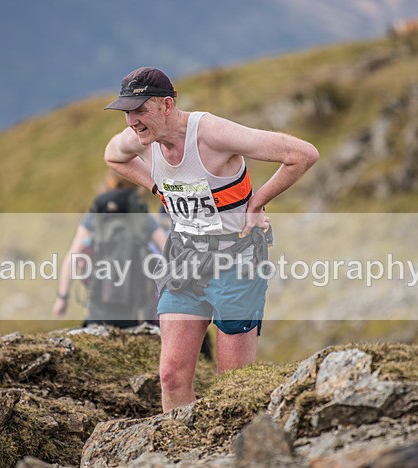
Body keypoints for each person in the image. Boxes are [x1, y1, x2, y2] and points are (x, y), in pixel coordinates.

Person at [103, 67, 319, 411]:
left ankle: (231, 457)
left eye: (140, 110)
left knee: (232, 383)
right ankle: (181, 455)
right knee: (171, 375)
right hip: (183, 258)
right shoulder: (140, 139)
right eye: (127, 112)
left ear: (167, 105)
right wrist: (158, 188)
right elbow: (113, 156)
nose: (132, 121)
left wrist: (258, 201)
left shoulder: (213, 133)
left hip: (236, 259)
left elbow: (303, 154)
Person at [52, 169, 166, 328]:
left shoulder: (95, 216)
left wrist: (62, 298)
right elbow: (168, 252)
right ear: (137, 184)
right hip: (136, 307)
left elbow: (73, 258)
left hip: (98, 304)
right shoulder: (143, 218)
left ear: (109, 181)